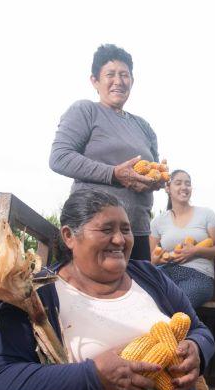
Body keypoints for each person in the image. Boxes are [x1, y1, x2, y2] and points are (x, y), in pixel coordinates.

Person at [0, 189, 215, 390]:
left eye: (125, 229)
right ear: (69, 236)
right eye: (107, 229)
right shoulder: (35, 295)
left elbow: (199, 330)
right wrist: (94, 379)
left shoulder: (149, 276)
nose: (120, 240)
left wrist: (197, 349)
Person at [49, 43, 161, 261]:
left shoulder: (143, 126)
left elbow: (153, 169)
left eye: (124, 75)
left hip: (136, 230)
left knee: (138, 292)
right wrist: (114, 174)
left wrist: (155, 181)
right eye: (110, 74)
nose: (118, 81)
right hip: (93, 227)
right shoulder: (86, 111)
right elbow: (59, 157)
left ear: (132, 81)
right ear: (95, 80)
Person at [150, 170, 215, 309]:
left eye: (188, 184)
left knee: (177, 307)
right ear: (168, 188)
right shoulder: (158, 221)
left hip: (199, 275)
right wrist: (156, 260)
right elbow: (152, 258)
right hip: (166, 272)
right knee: (145, 299)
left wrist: (195, 251)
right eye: (178, 183)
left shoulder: (206, 214)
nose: (184, 187)